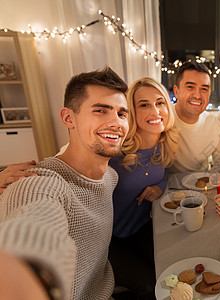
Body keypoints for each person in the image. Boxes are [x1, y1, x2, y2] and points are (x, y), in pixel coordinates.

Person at [0, 67, 129, 299]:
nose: (116, 122)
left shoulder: (111, 177)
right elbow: (34, 226)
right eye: (100, 110)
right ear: (69, 118)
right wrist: (27, 274)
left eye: (122, 114)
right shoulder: (38, 183)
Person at [108, 77, 178, 299]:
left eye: (160, 103)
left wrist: (160, 186)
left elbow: (164, 173)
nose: (155, 111)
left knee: (172, 271)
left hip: (142, 227)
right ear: (131, 112)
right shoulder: (115, 150)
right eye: (144, 105)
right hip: (109, 240)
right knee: (151, 287)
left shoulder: (164, 144)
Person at [171, 61, 220, 172]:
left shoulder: (214, 124)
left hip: (201, 185)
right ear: (177, 91)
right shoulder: (163, 119)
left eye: (204, 89)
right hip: (167, 187)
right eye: (190, 87)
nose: (197, 95)